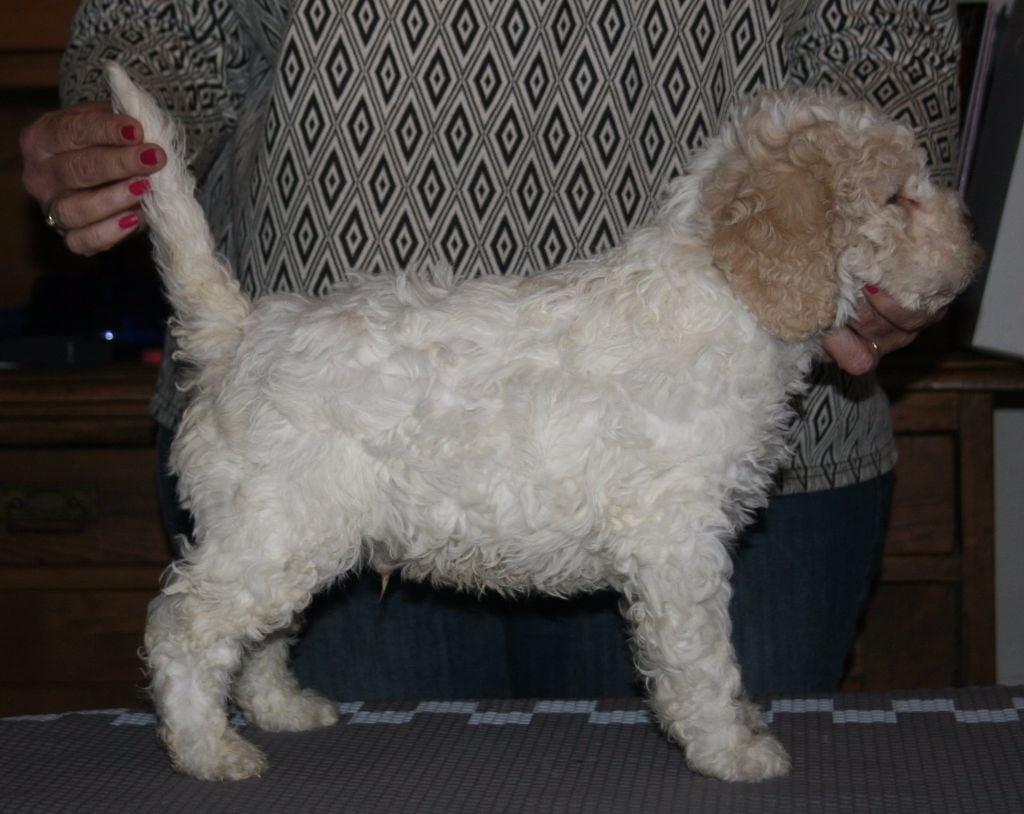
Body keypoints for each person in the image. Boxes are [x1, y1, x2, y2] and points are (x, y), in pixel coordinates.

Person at [20, 0, 961, 699]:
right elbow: (166, 27)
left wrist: (868, 203)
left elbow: (888, 38)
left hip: (774, 380)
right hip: (334, 396)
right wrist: (115, 141)